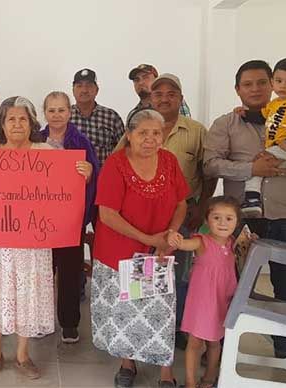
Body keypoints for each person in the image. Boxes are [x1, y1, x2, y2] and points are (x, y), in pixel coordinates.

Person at [0, 96, 92, 379]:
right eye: (11, 119)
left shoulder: (47, 152)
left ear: (31, 123)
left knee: (29, 293)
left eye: (23, 119)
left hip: (33, 243)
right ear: (2, 123)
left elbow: (67, 189)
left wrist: (83, 176)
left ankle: (23, 354)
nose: (17, 124)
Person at [204, 59, 286, 358]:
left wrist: (275, 168)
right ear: (237, 89)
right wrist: (251, 168)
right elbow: (211, 164)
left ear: (274, 84)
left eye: (261, 82)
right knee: (229, 285)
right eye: (247, 84)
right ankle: (221, 351)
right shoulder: (226, 123)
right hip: (238, 219)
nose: (255, 89)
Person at [91, 108, 188, 388]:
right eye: (143, 132)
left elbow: (181, 203)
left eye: (156, 133)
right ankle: (127, 364)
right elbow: (107, 214)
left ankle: (165, 372)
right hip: (121, 254)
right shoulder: (116, 164)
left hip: (159, 253)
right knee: (127, 313)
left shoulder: (169, 162)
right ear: (130, 135)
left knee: (161, 312)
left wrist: (168, 236)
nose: (150, 139)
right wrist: (149, 239)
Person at [148, 73, 217, 349]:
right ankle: (150, 322)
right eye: (158, 94)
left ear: (181, 97)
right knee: (147, 270)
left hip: (185, 215)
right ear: (150, 99)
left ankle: (176, 326)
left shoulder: (197, 130)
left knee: (179, 274)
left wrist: (202, 206)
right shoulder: (140, 127)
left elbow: (209, 172)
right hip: (146, 217)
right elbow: (121, 161)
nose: (164, 98)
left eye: (171, 93)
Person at [40, 91, 99, 343]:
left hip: (70, 220)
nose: (56, 115)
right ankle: (41, 320)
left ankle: (69, 323)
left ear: (69, 112)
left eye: (61, 110)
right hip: (39, 220)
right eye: (51, 110)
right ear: (45, 113)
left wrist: (88, 174)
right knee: (41, 272)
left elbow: (95, 176)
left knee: (69, 272)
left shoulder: (81, 143)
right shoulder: (35, 140)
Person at [167, 196, 243, 388]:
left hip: (222, 301)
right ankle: (191, 382)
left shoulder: (233, 243)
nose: (222, 223)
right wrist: (176, 239)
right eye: (216, 217)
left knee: (215, 342)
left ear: (237, 222)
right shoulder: (202, 241)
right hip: (201, 302)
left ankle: (209, 378)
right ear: (207, 220)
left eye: (229, 218)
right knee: (194, 342)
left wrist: (251, 243)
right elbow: (185, 244)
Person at [238, 57, 286, 217]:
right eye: (279, 81)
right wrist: (245, 115)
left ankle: (252, 199)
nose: (283, 86)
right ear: (273, 82)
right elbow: (261, 118)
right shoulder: (274, 104)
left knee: (259, 162)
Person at [70, 68, 125, 167]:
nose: (84, 90)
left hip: (104, 178)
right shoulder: (64, 116)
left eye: (89, 86)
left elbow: (124, 150)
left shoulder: (111, 117)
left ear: (97, 90)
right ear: (73, 90)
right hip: (70, 178)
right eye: (79, 86)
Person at [127, 64, 192, 122]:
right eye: (136, 80)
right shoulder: (133, 114)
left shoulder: (173, 103)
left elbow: (187, 129)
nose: (141, 82)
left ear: (156, 80)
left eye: (146, 77)